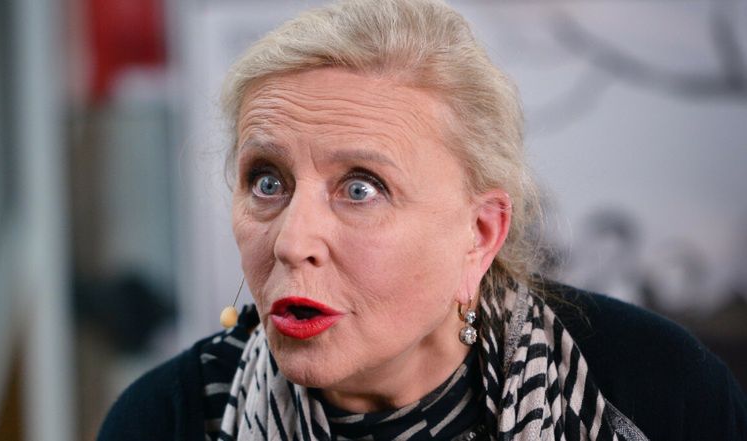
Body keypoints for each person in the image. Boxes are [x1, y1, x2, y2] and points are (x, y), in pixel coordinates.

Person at [98, 0, 747, 439]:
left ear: (479, 234)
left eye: (361, 188)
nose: (292, 242)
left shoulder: (659, 391)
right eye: (267, 182)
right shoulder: (167, 418)